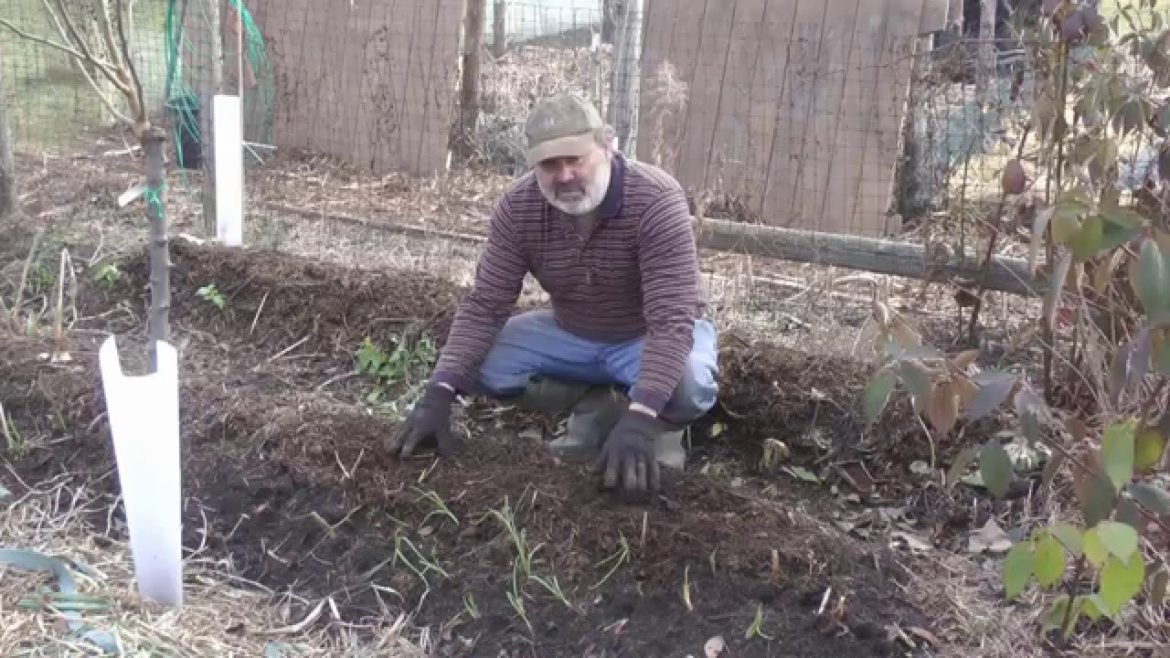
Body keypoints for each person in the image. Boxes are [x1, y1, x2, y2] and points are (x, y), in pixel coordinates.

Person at [384, 92, 719, 495]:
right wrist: (437, 394)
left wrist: (642, 418)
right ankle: (600, 406)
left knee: (688, 383)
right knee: (475, 362)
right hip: (572, 332)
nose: (564, 176)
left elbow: (671, 321)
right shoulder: (520, 208)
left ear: (607, 147)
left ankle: (653, 424)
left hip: (645, 335)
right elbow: (486, 305)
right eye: (549, 164)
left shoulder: (655, 200)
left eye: (575, 160)